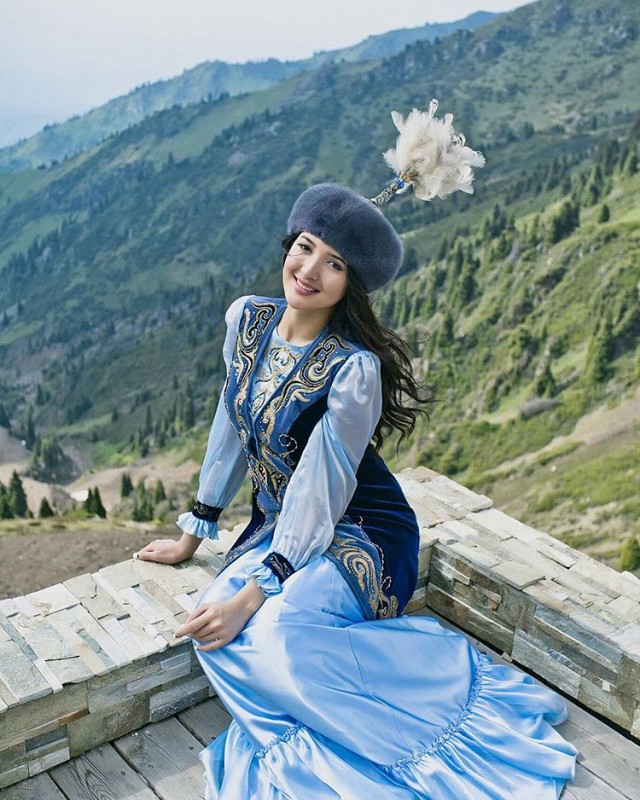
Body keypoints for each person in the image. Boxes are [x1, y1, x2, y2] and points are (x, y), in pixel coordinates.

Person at [136, 183, 577, 799]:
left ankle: (418, 722)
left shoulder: (353, 368)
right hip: (280, 526)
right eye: (306, 247)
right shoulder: (247, 319)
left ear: (352, 285)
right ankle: (310, 741)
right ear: (290, 244)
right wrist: (194, 532)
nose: (310, 270)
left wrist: (259, 588)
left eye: (335, 264)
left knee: (271, 631)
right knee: (216, 630)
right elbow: (230, 423)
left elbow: (322, 489)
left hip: (361, 528)